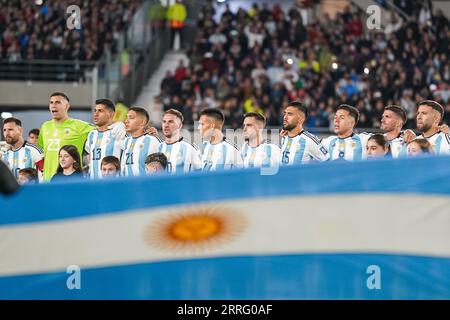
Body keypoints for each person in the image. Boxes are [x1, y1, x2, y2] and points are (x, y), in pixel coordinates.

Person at [38, 92, 95, 181]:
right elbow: (43, 153)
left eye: (58, 102)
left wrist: (118, 125)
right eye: (51, 102)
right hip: (48, 181)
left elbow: (102, 129)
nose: (53, 105)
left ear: (67, 106)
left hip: (71, 180)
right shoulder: (45, 126)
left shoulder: (79, 126)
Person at [84, 99, 126, 179]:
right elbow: (89, 155)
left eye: (100, 111)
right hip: (94, 185)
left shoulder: (118, 131)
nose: (95, 114)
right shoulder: (92, 134)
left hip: (113, 185)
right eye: (95, 110)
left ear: (110, 114)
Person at [159, 109, 202, 173]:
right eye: (164, 121)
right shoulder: (159, 146)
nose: (166, 125)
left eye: (171, 122)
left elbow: (201, 173)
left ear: (180, 125)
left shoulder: (190, 148)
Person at [121, 107, 162, 177]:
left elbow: (162, 167)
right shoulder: (126, 141)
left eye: (131, 118)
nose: (126, 121)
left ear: (142, 122)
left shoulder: (152, 140)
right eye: (126, 117)